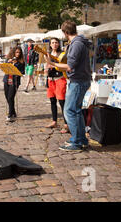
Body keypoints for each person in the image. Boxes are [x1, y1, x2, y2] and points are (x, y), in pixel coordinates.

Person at [46, 21, 92, 152]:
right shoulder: (78, 42)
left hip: (78, 81)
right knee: (76, 110)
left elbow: (70, 66)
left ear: (65, 33)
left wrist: (52, 64)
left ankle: (76, 141)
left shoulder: (76, 44)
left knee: (69, 110)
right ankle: (81, 139)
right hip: (80, 80)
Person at [44, 38, 68, 131]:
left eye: (56, 42)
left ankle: (66, 124)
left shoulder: (62, 54)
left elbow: (64, 67)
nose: (54, 44)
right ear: (50, 44)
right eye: (53, 43)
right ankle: (54, 121)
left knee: (62, 102)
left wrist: (53, 65)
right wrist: (46, 68)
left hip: (60, 79)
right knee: (52, 101)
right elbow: (47, 66)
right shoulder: (48, 54)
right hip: (50, 79)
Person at [3, 47, 25, 122]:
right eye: (16, 52)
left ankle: (10, 113)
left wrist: (16, 64)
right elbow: (4, 67)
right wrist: (8, 63)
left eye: (19, 52)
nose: (18, 54)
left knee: (10, 97)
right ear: (13, 53)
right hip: (7, 80)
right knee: (7, 97)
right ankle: (13, 111)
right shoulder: (8, 59)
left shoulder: (21, 62)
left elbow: (22, 72)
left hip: (15, 81)